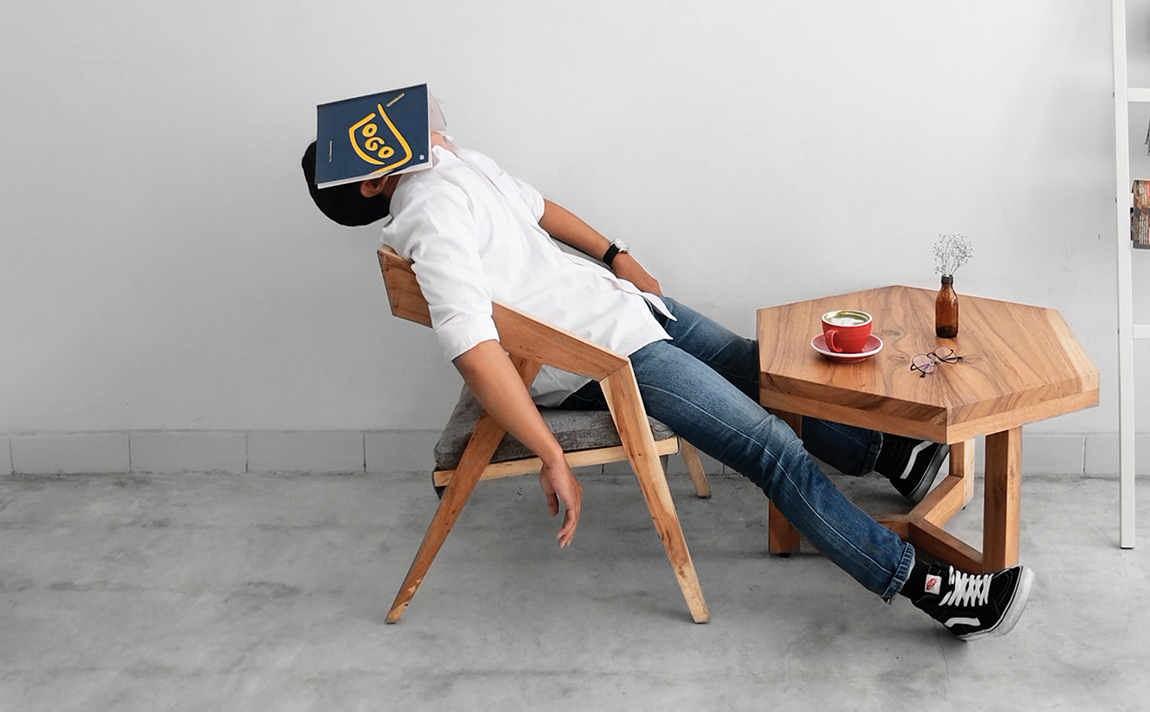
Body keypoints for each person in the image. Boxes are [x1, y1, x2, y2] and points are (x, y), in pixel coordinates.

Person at [300, 129, 1034, 641]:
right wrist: (548, 454)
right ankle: (930, 590)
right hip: (604, 358)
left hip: (621, 309)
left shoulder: (444, 165)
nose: (399, 123)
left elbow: (538, 207)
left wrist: (620, 256)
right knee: (772, 449)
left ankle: (887, 456)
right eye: (373, 132)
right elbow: (473, 348)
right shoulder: (427, 219)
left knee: (760, 363)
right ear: (372, 176)